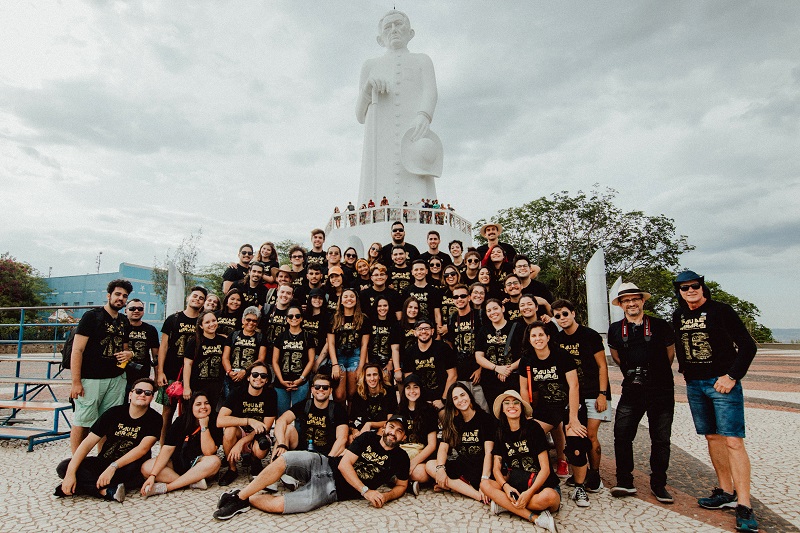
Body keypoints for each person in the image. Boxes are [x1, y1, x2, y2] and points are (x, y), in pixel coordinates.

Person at [672, 270, 759, 532]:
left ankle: (744, 504)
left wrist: (731, 376)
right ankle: (725, 490)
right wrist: (687, 374)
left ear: (702, 287)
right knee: (712, 438)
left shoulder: (721, 311)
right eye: (684, 288)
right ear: (678, 291)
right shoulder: (679, 316)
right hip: (695, 385)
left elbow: (748, 346)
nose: (690, 291)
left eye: (694, 286)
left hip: (722, 384)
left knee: (733, 440)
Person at [214, 416, 409, 520]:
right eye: (391, 427)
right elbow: (344, 464)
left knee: (279, 506)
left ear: (404, 438)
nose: (393, 433)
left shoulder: (401, 458)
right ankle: (238, 498)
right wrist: (365, 491)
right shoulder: (368, 438)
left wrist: (386, 496)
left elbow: (401, 486)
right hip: (323, 463)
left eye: (399, 431)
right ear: (384, 428)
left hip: (331, 490)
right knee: (286, 459)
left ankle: (247, 498)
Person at [357, 10, 438, 204]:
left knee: (416, 178)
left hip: (412, 131)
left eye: (399, 24)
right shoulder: (370, 65)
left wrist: (424, 115)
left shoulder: (422, 60)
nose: (393, 30)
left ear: (411, 32)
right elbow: (360, 115)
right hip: (379, 137)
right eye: (388, 26)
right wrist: (367, 89)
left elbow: (431, 92)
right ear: (379, 38)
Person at [608, 283, 676, 505]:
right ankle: (624, 480)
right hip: (632, 390)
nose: (631, 303)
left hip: (661, 390)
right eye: (626, 301)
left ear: (643, 301)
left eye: (635, 299)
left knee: (660, 438)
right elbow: (617, 357)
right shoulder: (616, 329)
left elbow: (669, 354)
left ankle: (659, 484)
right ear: (621, 305)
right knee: (622, 434)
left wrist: (653, 371)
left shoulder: (660, 325)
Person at [519, 321, 592, 509]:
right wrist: (526, 416)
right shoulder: (527, 358)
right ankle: (539, 478)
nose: (538, 339)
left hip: (568, 405)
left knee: (576, 439)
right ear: (529, 339)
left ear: (548, 336)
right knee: (528, 434)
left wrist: (574, 418)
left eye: (541, 335)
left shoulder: (561, 355)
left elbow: (574, 385)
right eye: (533, 336)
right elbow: (523, 389)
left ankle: (579, 486)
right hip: (545, 408)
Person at [55, 378, 161, 502]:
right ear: (130, 394)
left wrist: (113, 467)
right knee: (63, 467)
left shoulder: (155, 418)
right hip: (105, 461)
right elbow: (88, 442)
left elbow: (142, 449)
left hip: (130, 465)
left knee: (132, 474)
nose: (142, 395)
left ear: (151, 397)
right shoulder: (114, 413)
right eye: (138, 391)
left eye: (148, 393)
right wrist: (70, 473)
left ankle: (78, 487)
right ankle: (105, 491)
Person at [480, 390, 560, 533]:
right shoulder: (500, 432)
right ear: (503, 409)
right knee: (485, 484)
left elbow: (546, 469)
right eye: (507, 403)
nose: (512, 406)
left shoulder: (534, 428)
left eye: (516, 402)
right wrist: (505, 487)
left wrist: (529, 493)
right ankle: (534, 517)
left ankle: (505, 505)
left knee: (549, 498)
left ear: (522, 408)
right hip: (516, 484)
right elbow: (496, 468)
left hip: (541, 485)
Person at [69, 279, 134, 452]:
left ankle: (101, 460)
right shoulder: (92, 316)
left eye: (124, 296)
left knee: (108, 422)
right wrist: (76, 382)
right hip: (91, 378)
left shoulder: (123, 321)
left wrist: (130, 354)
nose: (121, 298)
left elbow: (125, 349)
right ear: (109, 295)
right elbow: (77, 350)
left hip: (115, 378)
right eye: (117, 294)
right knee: (82, 421)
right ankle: (76, 463)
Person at [553, 299, 610, 493]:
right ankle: (580, 473)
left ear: (573, 313)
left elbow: (602, 366)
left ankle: (595, 474)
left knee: (591, 434)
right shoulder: (559, 340)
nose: (562, 318)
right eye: (558, 315)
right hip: (572, 394)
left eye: (565, 313)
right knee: (575, 434)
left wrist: (602, 394)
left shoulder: (590, 336)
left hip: (594, 392)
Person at [140, 391, 222, 497]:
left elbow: (209, 452)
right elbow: (167, 449)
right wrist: (152, 475)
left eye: (206, 403)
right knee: (146, 467)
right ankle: (191, 482)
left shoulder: (215, 421)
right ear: (191, 407)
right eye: (198, 404)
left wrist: (204, 426)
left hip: (200, 466)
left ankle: (168, 487)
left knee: (214, 461)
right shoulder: (181, 421)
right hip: (177, 463)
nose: (203, 407)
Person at [425, 383, 495, 503]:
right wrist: (441, 469)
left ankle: (457, 488)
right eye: (455, 398)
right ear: (452, 403)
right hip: (463, 467)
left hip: (482, 468)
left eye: (462, 395)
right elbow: (443, 448)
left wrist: (484, 480)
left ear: (469, 396)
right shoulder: (453, 421)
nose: (460, 400)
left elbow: (489, 453)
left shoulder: (485, 419)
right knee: (431, 465)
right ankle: (477, 495)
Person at [156, 286, 207, 443]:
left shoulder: (203, 321)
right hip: (172, 371)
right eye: (195, 296)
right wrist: (160, 371)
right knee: (167, 412)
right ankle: (164, 446)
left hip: (193, 373)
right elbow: (163, 346)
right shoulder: (174, 319)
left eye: (201, 298)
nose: (197, 299)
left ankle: (184, 446)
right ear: (188, 298)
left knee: (189, 412)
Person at [216, 362, 278, 486]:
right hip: (241, 431)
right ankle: (232, 469)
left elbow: (266, 427)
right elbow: (220, 421)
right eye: (255, 374)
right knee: (229, 430)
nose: (258, 378)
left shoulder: (270, 394)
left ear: (266, 380)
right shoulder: (238, 392)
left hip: (258, 434)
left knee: (261, 449)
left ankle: (255, 461)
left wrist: (241, 443)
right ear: (248, 377)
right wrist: (249, 421)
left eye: (263, 376)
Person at [272, 373, 348, 457]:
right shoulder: (304, 404)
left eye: (325, 387)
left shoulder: (338, 409)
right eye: (317, 387)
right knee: (287, 429)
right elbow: (281, 420)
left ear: (330, 391)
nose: (321, 389)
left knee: (343, 450)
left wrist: (329, 459)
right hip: (303, 451)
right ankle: (273, 467)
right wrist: (282, 444)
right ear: (312, 389)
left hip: (325, 454)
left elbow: (342, 438)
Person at [445, 284, 489, 412]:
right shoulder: (452, 318)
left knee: (483, 410)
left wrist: (481, 368)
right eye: (456, 297)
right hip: (461, 373)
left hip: (479, 373)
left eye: (463, 296)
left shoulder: (480, 315)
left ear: (469, 297)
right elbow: (451, 345)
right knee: (465, 411)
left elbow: (487, 343)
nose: (459, 299)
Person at [474, 299, 524, 407]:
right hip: (490, 380)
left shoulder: (517, 328)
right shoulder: (483, 330)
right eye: (489, 310)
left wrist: (508, 369)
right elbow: (479, 356)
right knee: (495, 412)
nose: (492, 312)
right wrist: (496, 368)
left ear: (502, 308)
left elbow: (526, 354)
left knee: (513, 408)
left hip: (513, 377)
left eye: (495, 308)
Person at [401, 318, 457, 414]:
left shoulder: (443, 348)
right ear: (414, 332)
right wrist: (419, 401)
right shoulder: (409, 352)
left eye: (426, 328)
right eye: (420, 329)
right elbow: (408, 380)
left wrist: (443, 400)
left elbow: (453, 375)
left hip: (442, 400)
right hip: (420, 401)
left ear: (432, 331)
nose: (423, 331)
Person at [395, 374, 437, 495]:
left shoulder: (429, 410)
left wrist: (413, 463)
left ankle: (401, 481)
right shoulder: (400, 410)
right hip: (403, 453)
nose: (412, 391)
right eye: (408, 388)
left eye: (415, 387)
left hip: (421, 455)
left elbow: (432, 445)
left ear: (421, 389)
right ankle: (408, 484)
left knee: (421, 473)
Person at [327, 288, 371, 403]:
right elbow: (330, 343)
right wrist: (334, 364)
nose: (349, 299)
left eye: (352, 296)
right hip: (339, 356)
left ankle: (350, 419)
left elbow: (364, 344)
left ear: (356, 300)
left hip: (355, 355)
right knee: (340, 395)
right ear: (341, 301)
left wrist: (361, 367)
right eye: (345, 297)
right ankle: (340, 419)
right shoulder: (334, 319)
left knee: (353, 393)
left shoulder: (363, 319)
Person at [272, 304, 315, 416]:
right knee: (281, 414)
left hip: (300, 382)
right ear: (287, 319)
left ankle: (298, 434)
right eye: (290, 316)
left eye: (297, 316)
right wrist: (281, 380)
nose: (294, 318)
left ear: (301, 318)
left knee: (299, 415)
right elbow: (275, 360)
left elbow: (311, 360)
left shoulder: (307, 336)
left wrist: (301, 379)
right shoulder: (281, 336)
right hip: (282, 381)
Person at [221, 306, 267, 406]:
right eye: (248, 320)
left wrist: (246, 371)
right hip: (231, 376)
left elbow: (261, 359)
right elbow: (225, 357)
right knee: (230, 405)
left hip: (250, 376)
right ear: (243, 320)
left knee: (246, 405)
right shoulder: (233, 335)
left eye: (254, 321)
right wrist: (229, 371)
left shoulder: (260, 337)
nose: (251, 323)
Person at [183, 310, 227, 411]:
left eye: (214, 320)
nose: (212, 324)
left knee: (213, 416)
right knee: (194, 415)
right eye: (207, 322)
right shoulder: (194, 341)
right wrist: (186, 387)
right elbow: (187, 364)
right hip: (197, 385)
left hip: (216, 386)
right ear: (201, 326)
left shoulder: (223, 341)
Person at [348, 363, 397, 443]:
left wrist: (370, 424)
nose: (372, 378)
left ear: (379, 376)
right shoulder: (358, 395)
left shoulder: (389, 392)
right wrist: (355, 431)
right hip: (363, 430)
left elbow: (390, 421)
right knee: (350, 439)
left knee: (381, 435)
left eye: (375, 375)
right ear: (364, 378)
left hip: (381, 427)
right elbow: (352, 421)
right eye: (368, 375)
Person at [124, 298, 159, 395]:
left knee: (140, 403)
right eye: (132, 308)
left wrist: (157, 377)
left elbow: (156, 356)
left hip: (142, 374)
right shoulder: (120, 327)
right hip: (121, 375)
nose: (136, 311)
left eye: (140, 309)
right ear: (125, 310)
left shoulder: (150, 330)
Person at [367, 296, 402, 378]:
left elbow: (395, 347)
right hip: (372, 361)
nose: (382, 308)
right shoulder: (369, 322)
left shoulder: (395, 324)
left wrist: (390, 362)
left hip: (388, 361)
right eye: (379, 306)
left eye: (385, 306)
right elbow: (365, 344)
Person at [407, 260, 443, 331]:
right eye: (416, 270)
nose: (419, 272)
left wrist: (439, 334)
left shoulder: (434, 291)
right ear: (412, 272)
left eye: (422, 269)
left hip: (429, 329)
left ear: (426, 271)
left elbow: (437, 314)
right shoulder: (407, 291)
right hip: (412, 330)